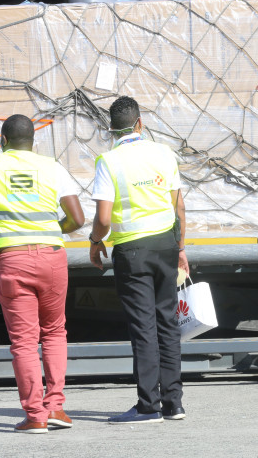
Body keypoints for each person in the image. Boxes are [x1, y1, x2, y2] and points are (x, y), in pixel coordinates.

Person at [0, 114, 84, 434]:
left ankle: (35, 415)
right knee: (54, 332)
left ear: (3, 141)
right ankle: (55, 407)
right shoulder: (53, 167)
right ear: (33, 141)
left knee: (24, 341)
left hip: (13, 259)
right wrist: (50, 229)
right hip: (52, 257)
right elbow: (77, 218)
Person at [89, 95, 189, 424]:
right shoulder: (164, 153)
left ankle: (149, 406)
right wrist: (181, 249)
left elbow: (104, 218)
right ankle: (173, 403)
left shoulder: (108, 162)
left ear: (111, 129)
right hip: (166, 245)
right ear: (140, 124)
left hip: (132, 252)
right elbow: (178, 207)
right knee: (168, 324)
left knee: (144, 329)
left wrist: (95, 242)